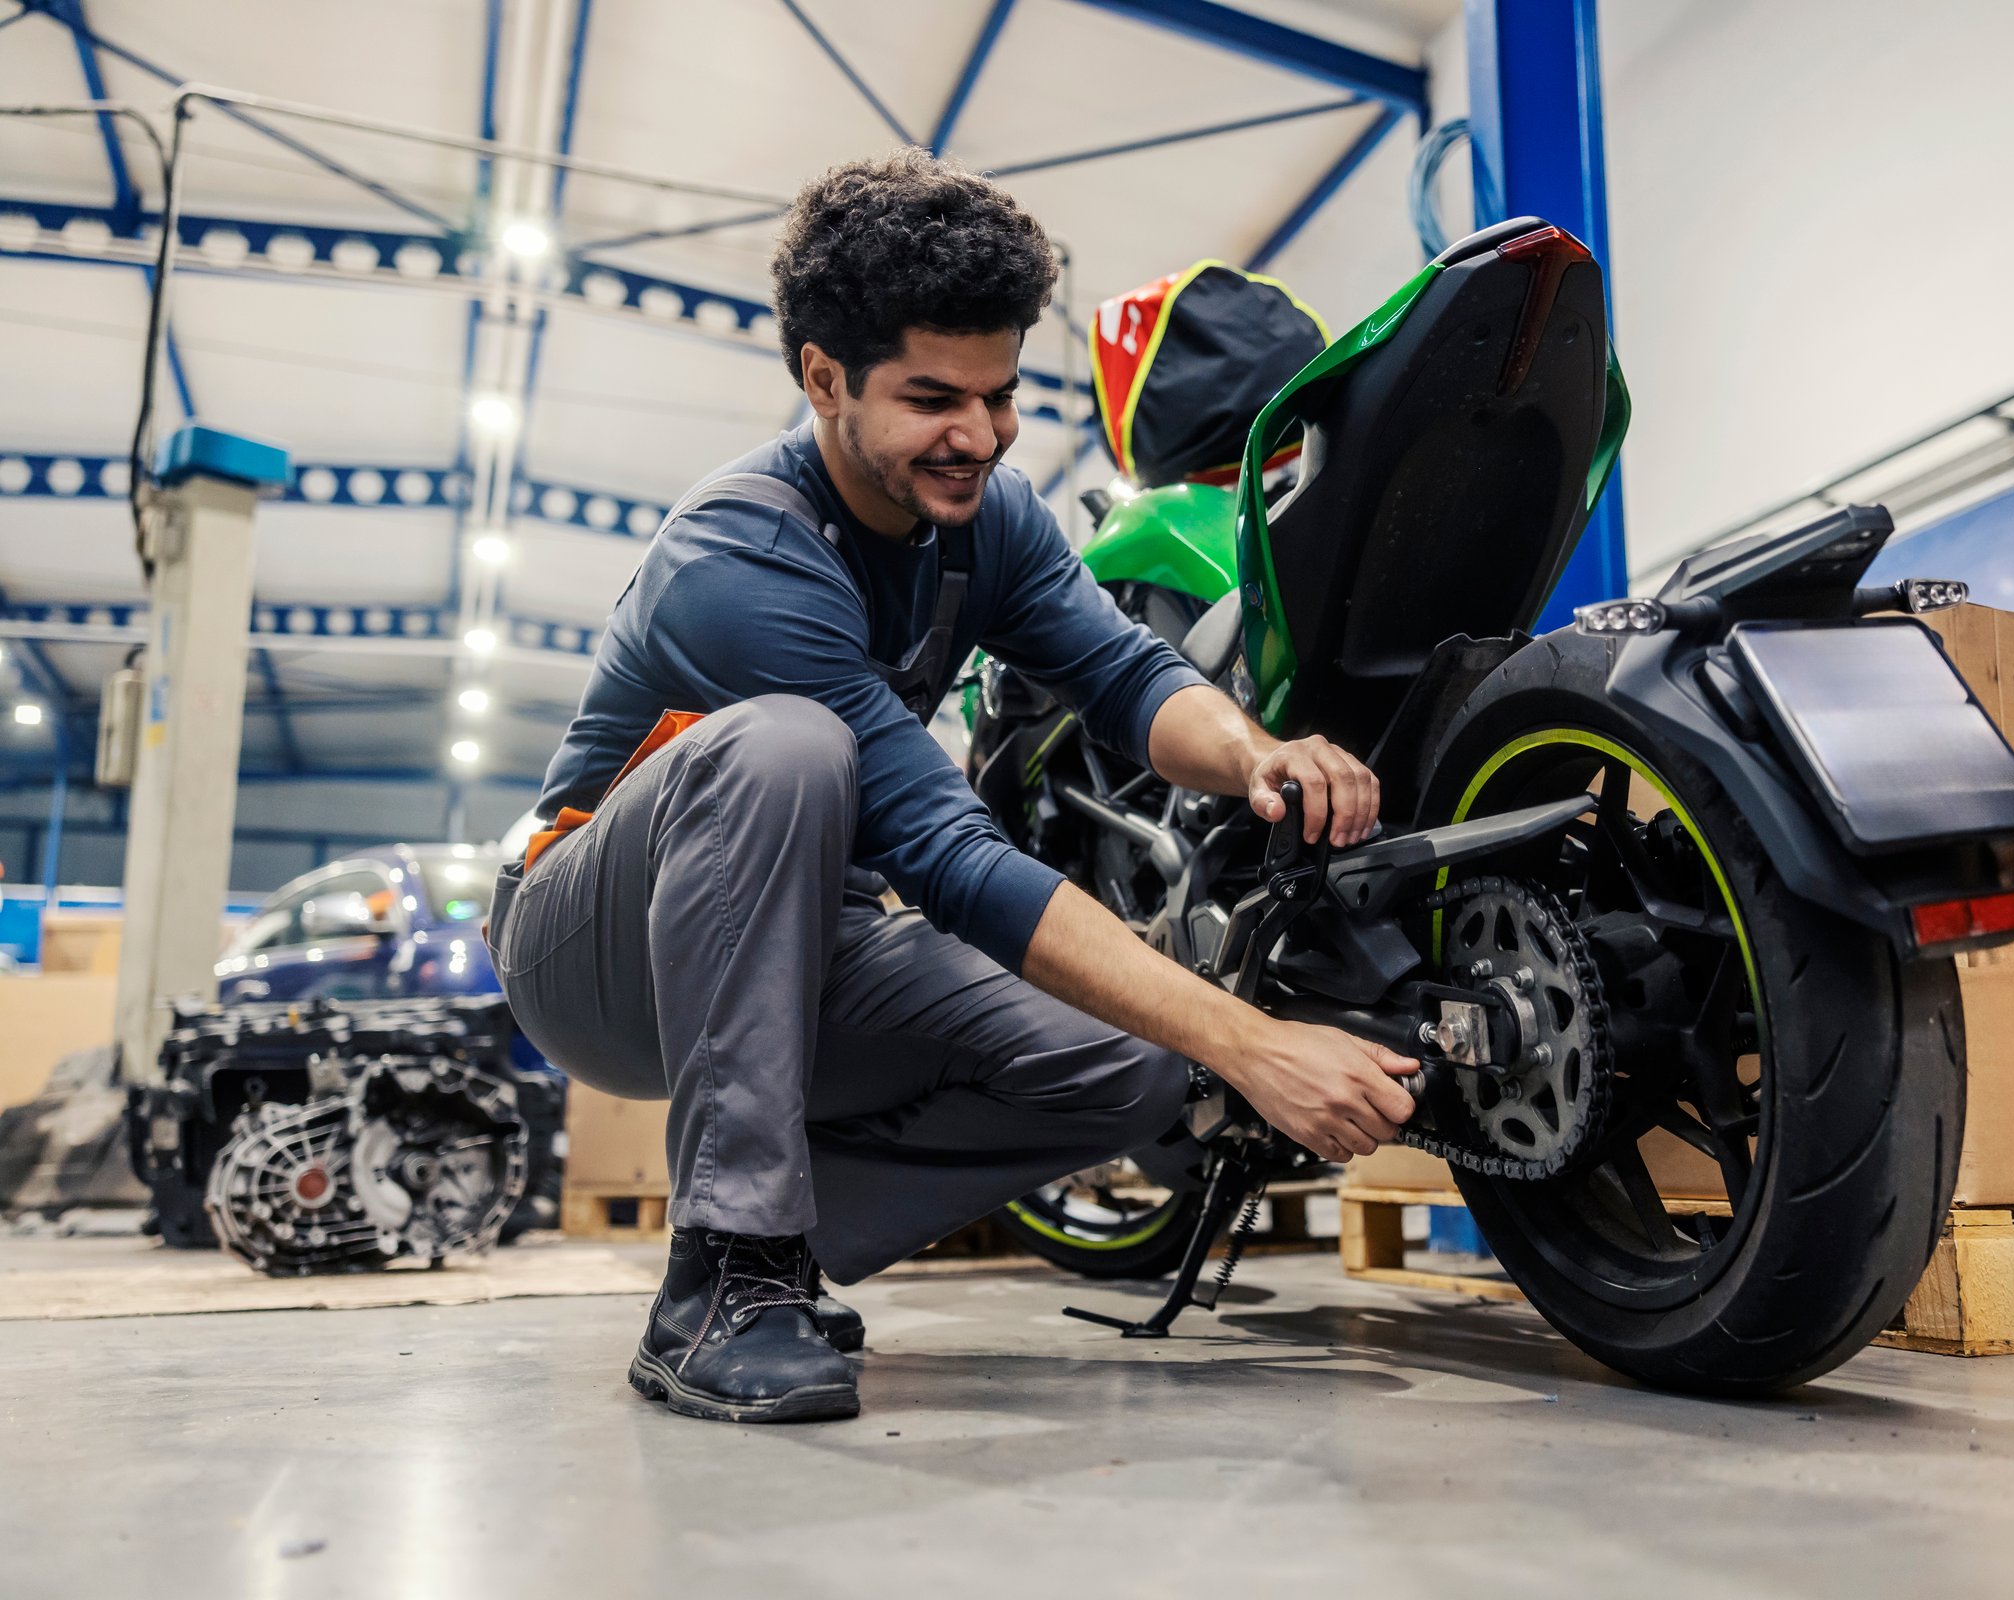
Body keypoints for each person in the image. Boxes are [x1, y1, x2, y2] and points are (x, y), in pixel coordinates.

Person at [490, 150, 1416, 1426]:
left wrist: (1259, 753)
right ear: (822, 376)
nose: (978, 435)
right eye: (934, 398)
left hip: (814, 934)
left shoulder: (992, 517)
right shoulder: (738, 556)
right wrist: (1253, 1044)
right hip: (592, 946)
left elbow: (1127, 676)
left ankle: (766, 1254)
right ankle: (726, 1268)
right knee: (787, 746)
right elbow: (950, 854)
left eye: (1001, 393)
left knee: (1130, 1070)